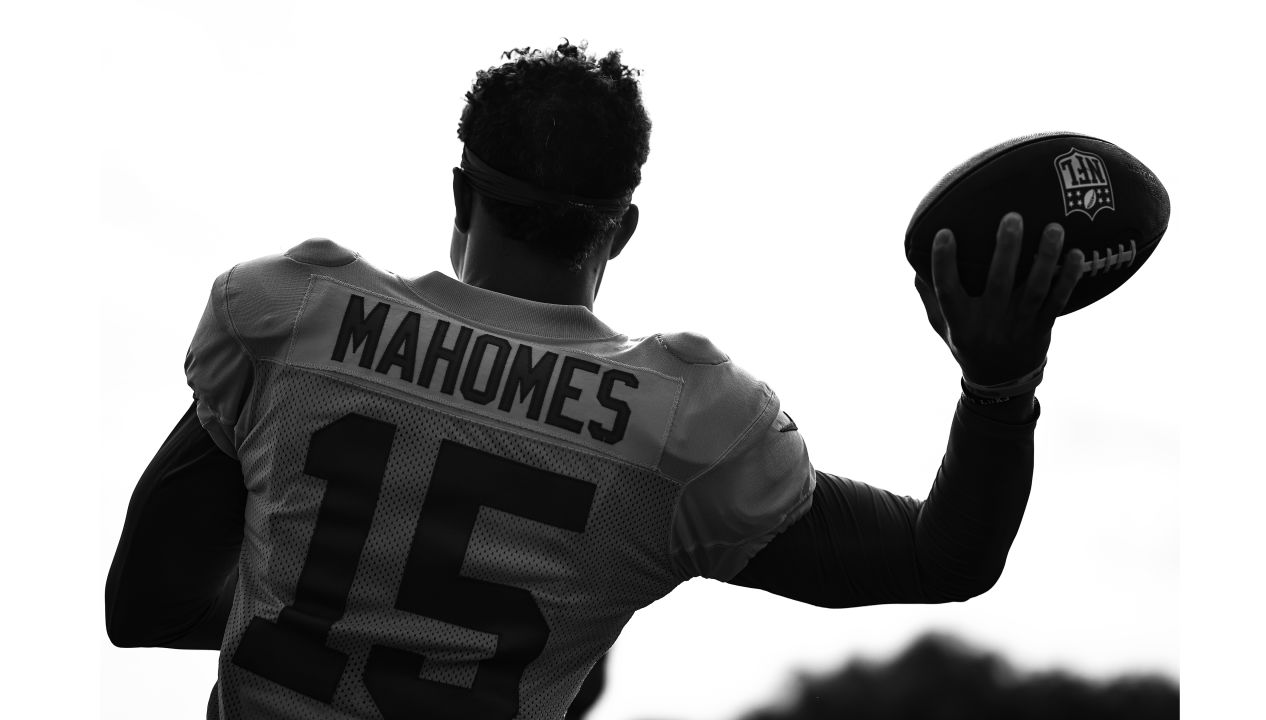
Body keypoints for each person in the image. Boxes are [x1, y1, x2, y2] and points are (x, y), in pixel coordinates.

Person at [105, 41, 1086, 720]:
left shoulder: (290, 317)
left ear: (460, 192)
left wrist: (325, 633)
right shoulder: (681, 428)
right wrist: (998, 387)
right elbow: (941, 558)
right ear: (619, 227)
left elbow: (142, 604)